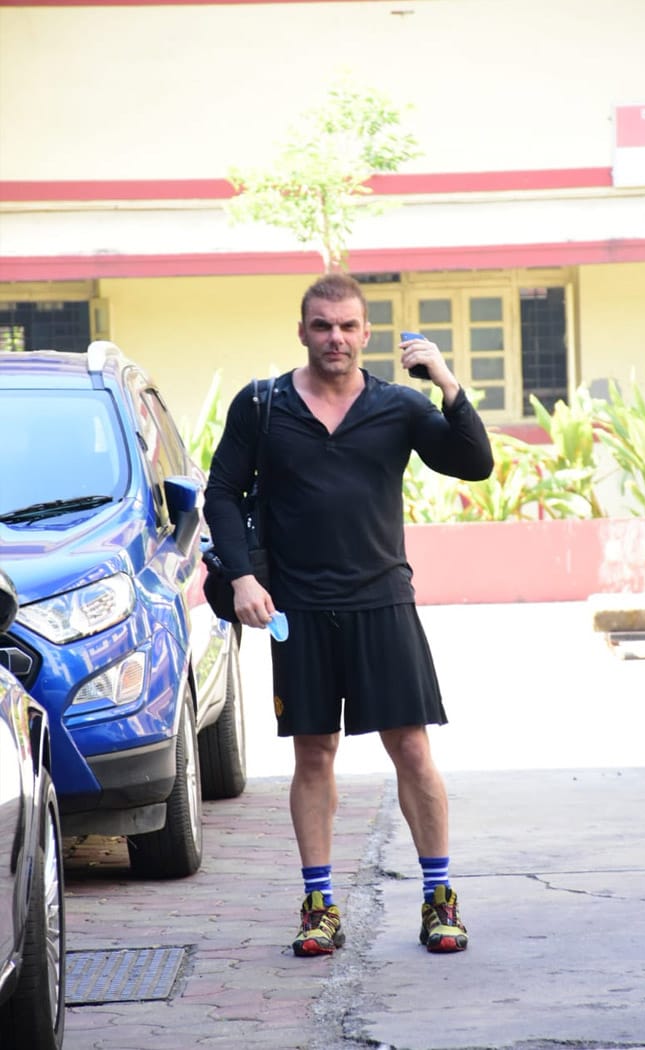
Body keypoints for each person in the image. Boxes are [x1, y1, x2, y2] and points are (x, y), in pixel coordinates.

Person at [204, 273, 493, 956]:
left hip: (382, 601)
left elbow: (474, 463)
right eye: (323, 325)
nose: (336, 337)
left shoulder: (399, 406)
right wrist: (243, 576)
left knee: (413, 751)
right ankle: (319, 905)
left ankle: (439, 897)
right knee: (314, 754)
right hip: (296, 607)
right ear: (302, 330)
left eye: (348, 326)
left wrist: (447, 383)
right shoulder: (263, 405)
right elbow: (221, 493)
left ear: (366, 334)